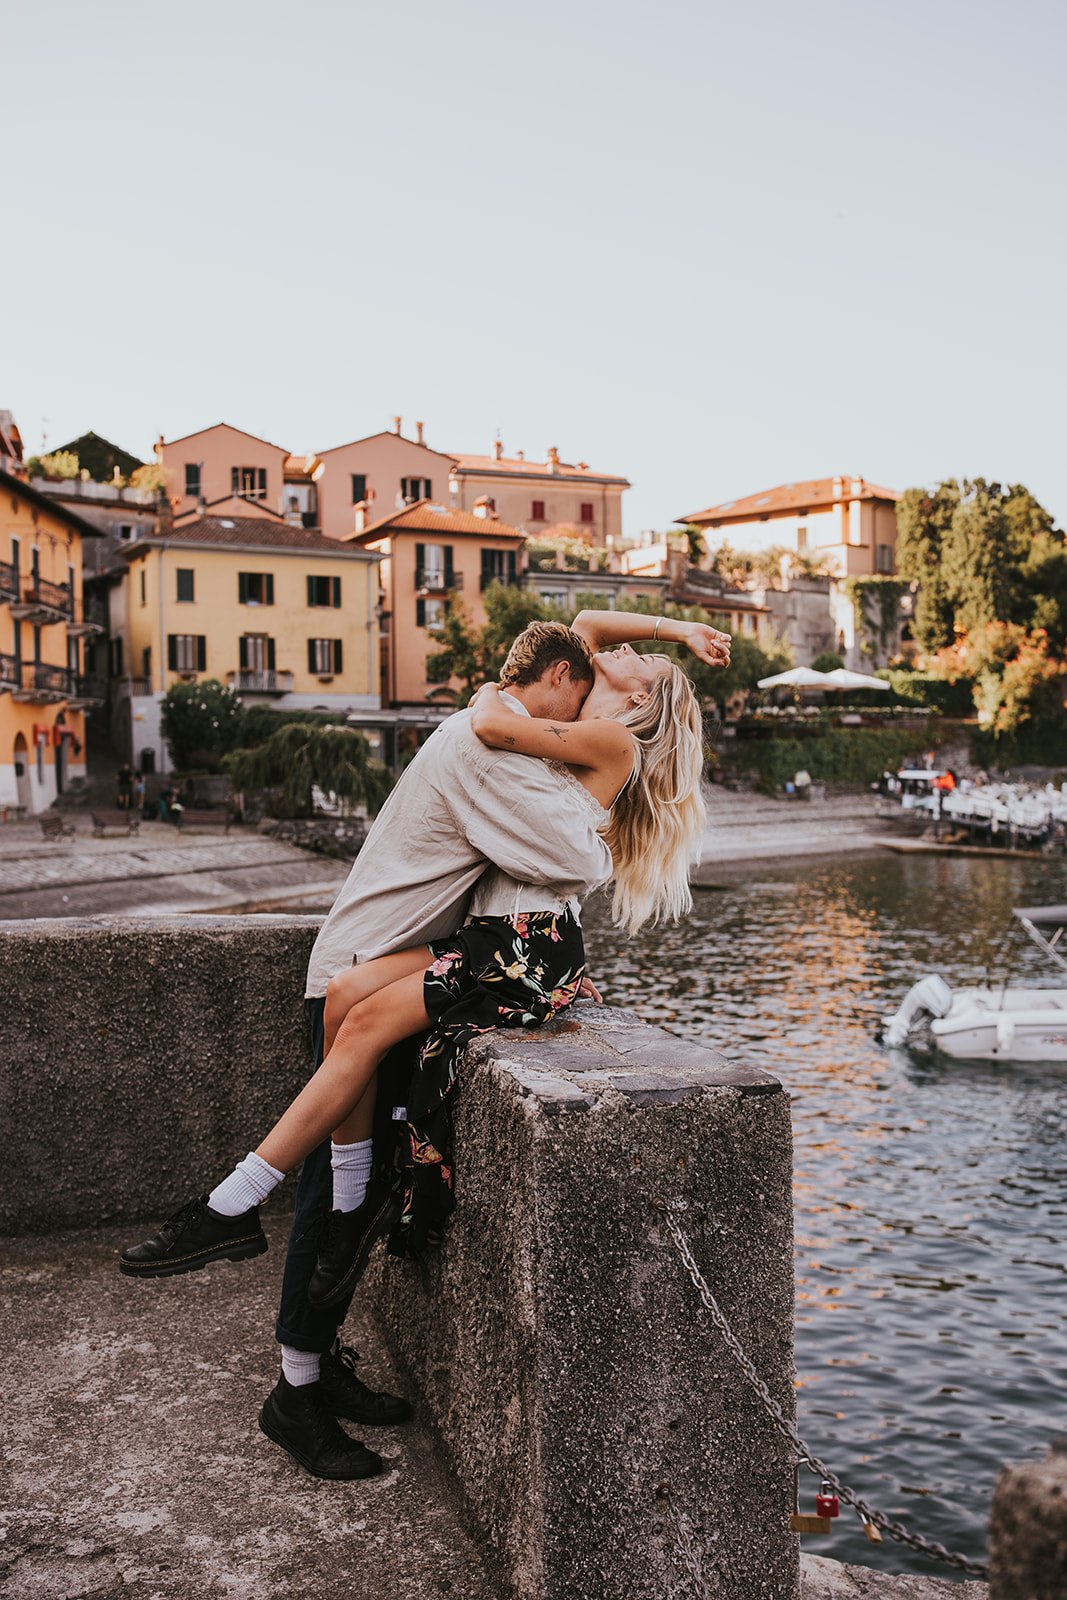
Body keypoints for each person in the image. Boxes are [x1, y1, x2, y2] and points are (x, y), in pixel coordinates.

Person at [119, 613, 728, 1477]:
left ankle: (297, 1355)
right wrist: (672, 627)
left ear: (631, 700)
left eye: (635, 661)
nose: (612, 655)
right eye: (602, 658)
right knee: (336, 1205)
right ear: (566, 679)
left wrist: (637, 651)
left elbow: (558, 677)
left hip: (455, 953)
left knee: (347, 1201)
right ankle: (292, 1369)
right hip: (386, 958)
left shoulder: (546, 741)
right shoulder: (509, 747)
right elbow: (570, 656)